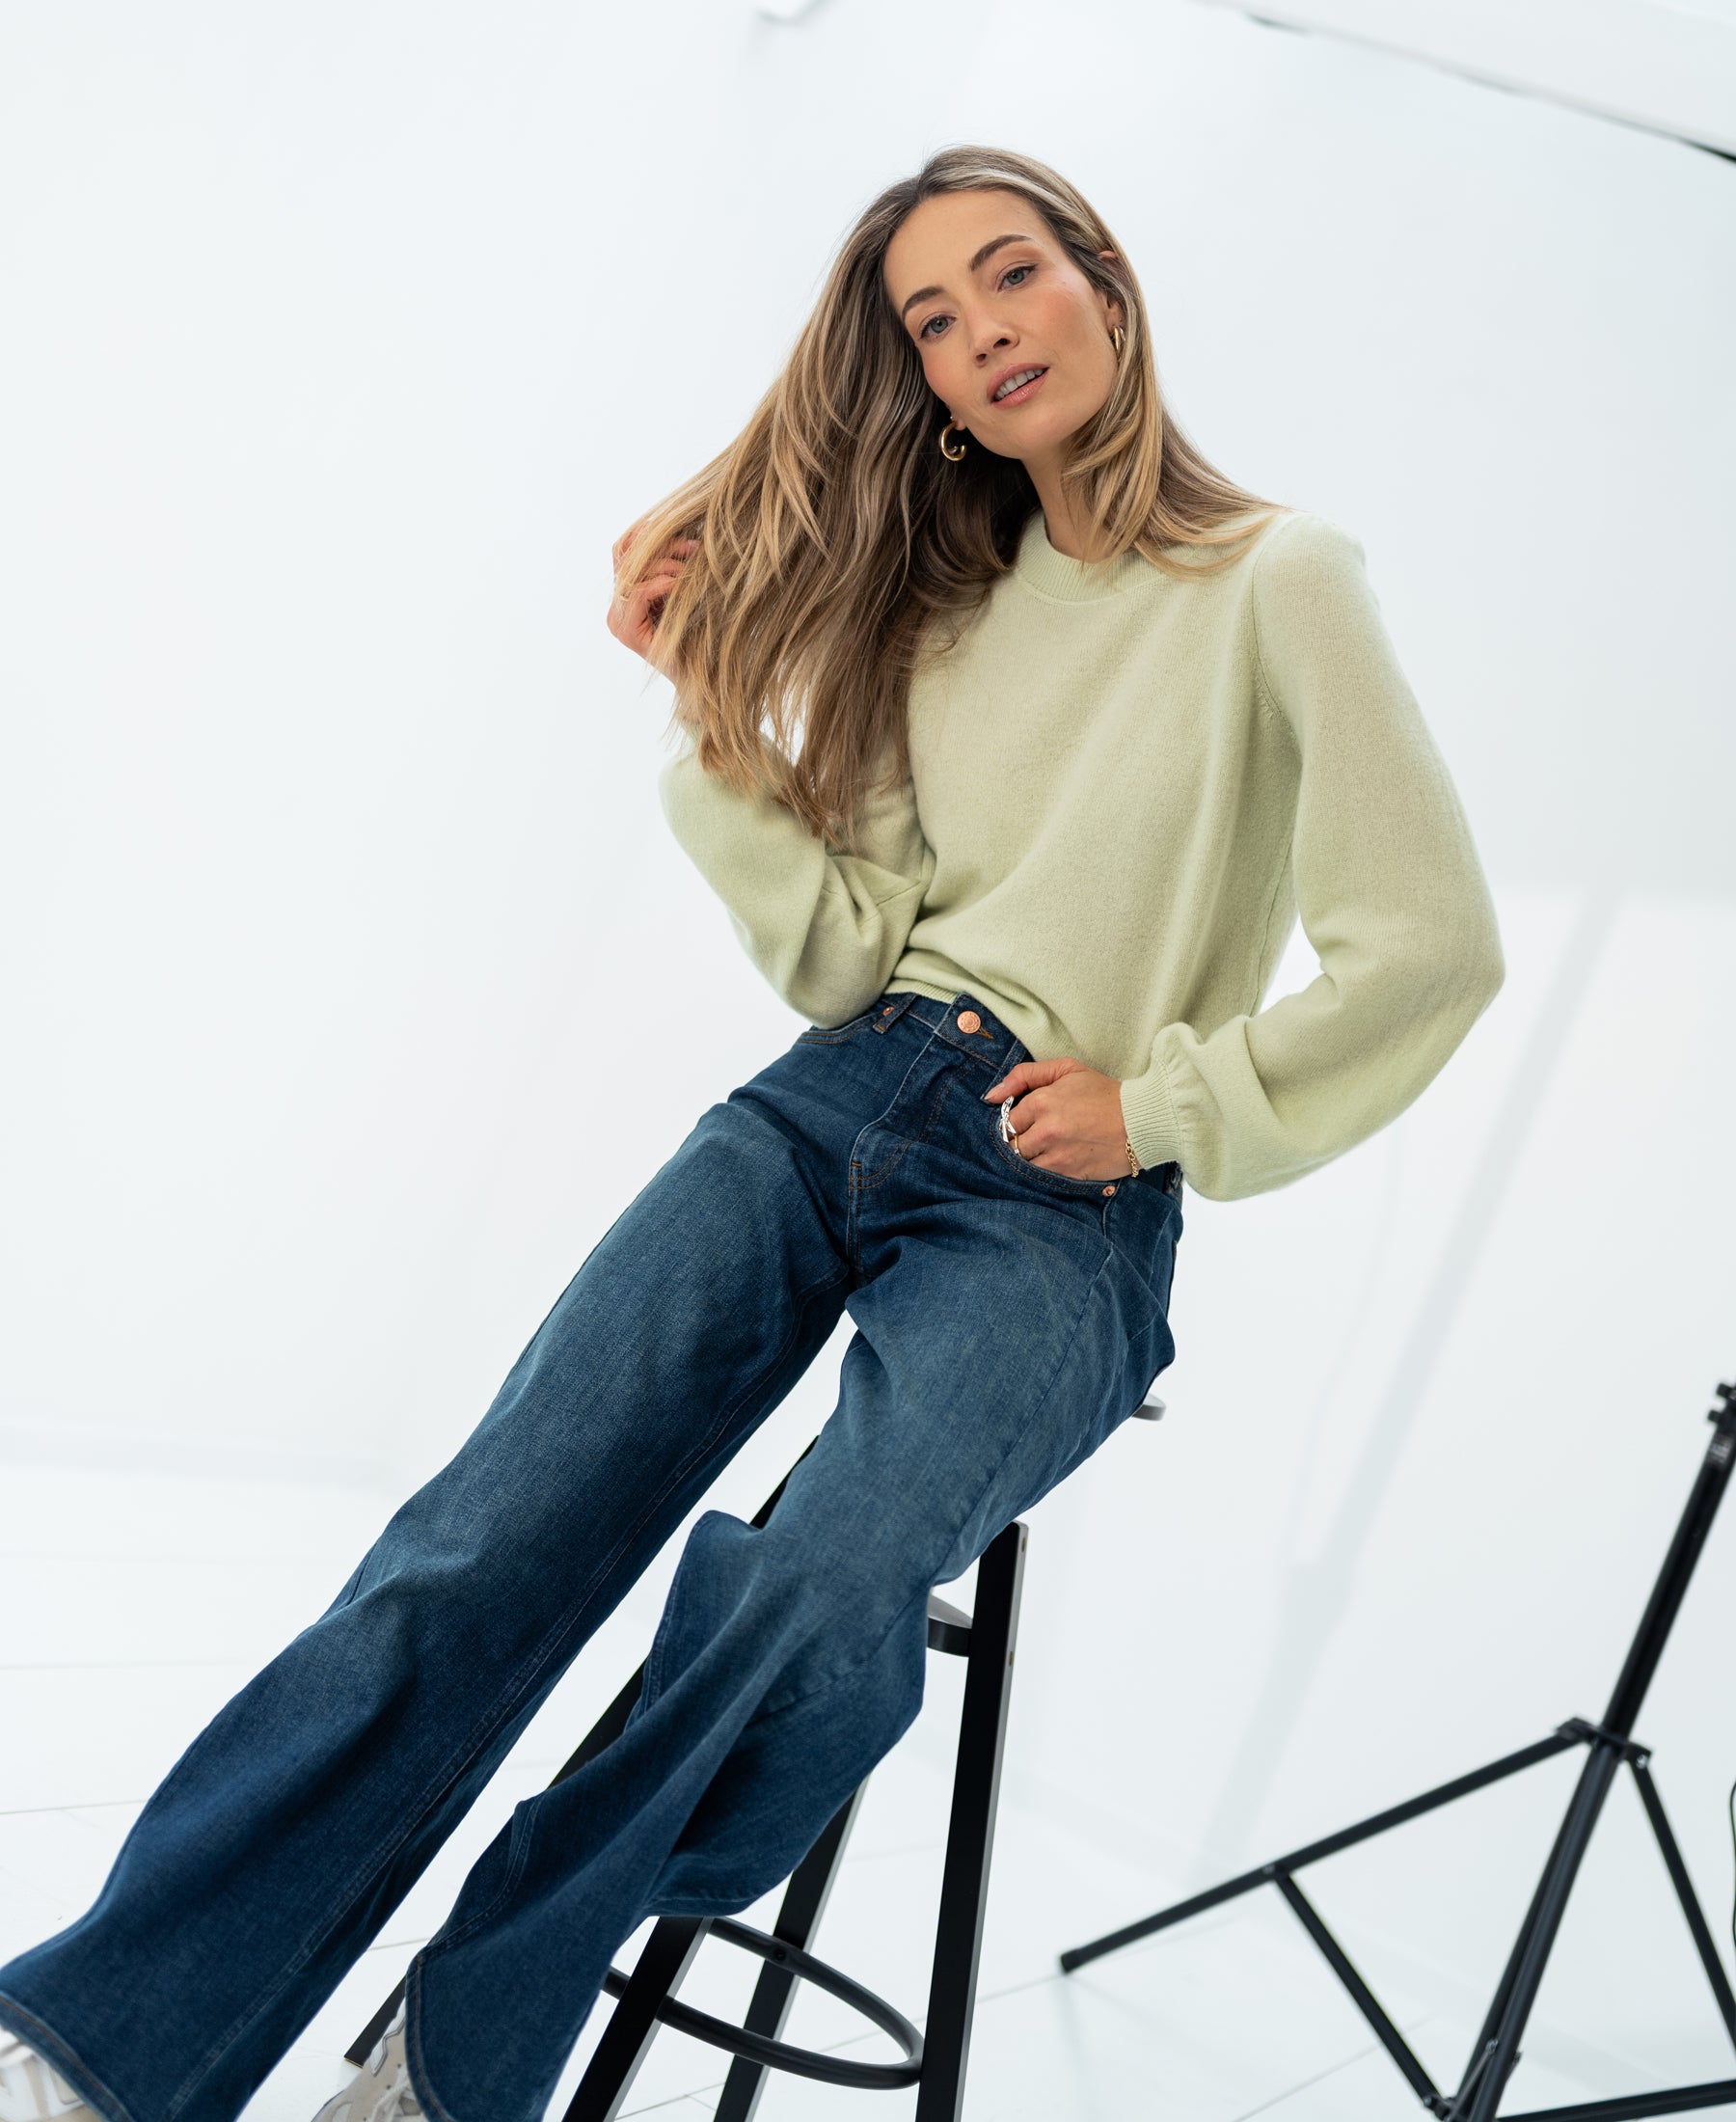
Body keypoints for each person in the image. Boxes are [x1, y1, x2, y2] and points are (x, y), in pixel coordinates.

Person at [0, 143, 1505, 2122]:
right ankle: (100, 2047)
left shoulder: (1279, 577)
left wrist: (1161, 1103)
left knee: (815, 1590)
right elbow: (846, 947)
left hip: (1066, 1203)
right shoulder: (948, 610)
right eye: (935, 326)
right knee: (474, 1553)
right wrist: (712, 712)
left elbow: (1432, 941)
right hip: (837, 1103)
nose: (982, 338)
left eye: (1011, 280)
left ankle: (459, 2049)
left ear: (1106, 290)